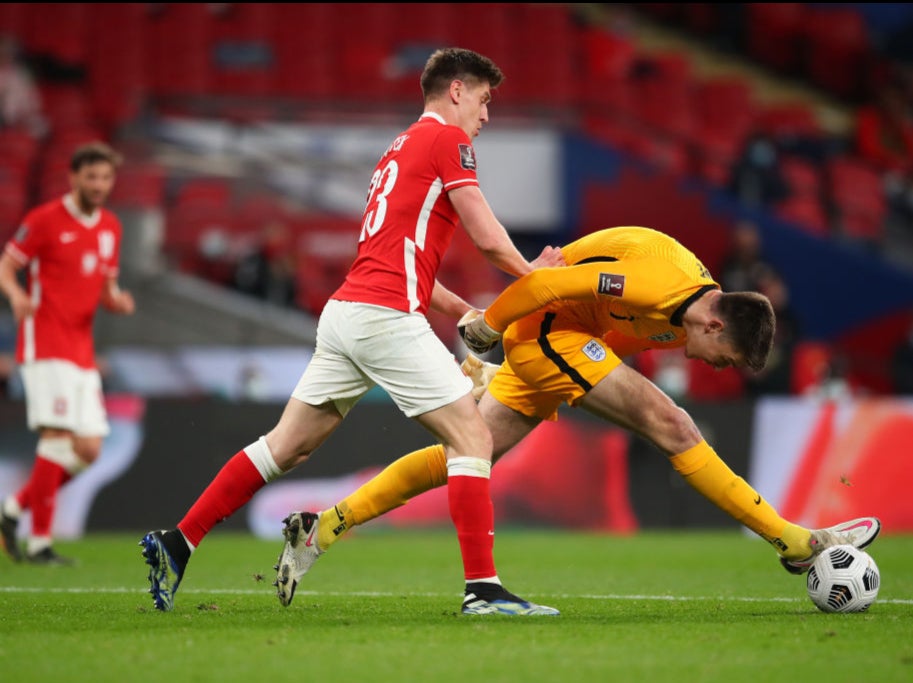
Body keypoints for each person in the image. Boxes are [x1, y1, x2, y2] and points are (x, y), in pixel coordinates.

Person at [138, 47, 565, 615]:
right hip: (385, 316)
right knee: (473, 439)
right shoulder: (447, 141)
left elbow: (404, 260)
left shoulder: (398, 148)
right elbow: (486, 237)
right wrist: (531, 274)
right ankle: (482, 590)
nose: (486, 116)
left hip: (348, 313)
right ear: (456, 90)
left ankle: (178, 541)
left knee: (285, 447)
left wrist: (463, 310)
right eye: (484, 100)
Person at [273, 225, 881, 607]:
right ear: (716, 325)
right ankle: (794, 542)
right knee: (673, 425)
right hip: (543, 331)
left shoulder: (692, 307)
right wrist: (488, 330)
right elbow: (547, 287)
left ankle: (324, 526)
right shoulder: (655, 288)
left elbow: (605, 323)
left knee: (468, 452)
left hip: (565, 338)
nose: (719, 370)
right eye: (726, 359)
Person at [0, 141, 135, 564]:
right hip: (45, 344)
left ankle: (13, 509)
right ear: (74, 177)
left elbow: (106, 286)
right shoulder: (44, 220)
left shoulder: (111, 227)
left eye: (105, 178)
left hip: (81, 350)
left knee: (90, 449)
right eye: (90, 177)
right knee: (56, 438)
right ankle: (39, 541)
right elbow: (6, 264)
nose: (98, 185)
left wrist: (117, 301)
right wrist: (16, 295)